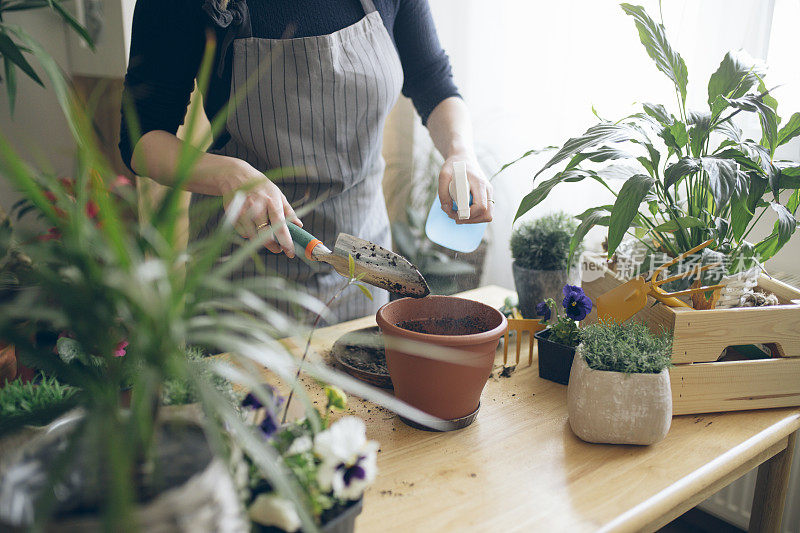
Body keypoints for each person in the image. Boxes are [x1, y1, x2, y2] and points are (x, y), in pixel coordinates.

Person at [120, 0, 493, 323]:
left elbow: (434, 81)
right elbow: (141, 140)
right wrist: (229, 174)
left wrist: (460, 151)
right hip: (245, 282)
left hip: (361, 269)